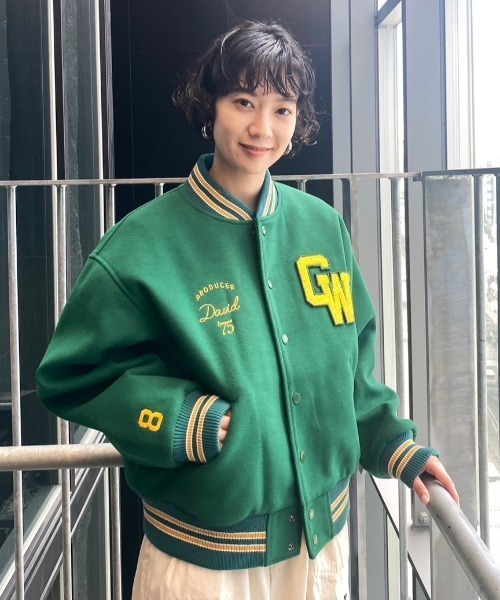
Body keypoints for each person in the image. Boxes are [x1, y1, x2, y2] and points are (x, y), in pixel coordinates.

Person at [37, 20, 459, 600]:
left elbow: (350, 367)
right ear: (209, 107)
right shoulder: (140, 245)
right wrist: (185, 420)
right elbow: (72, 376)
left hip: (322, 548)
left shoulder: (322, 227)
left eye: (282, 109)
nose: (263, 128)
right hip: (204, 566)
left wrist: (397, 445)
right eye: (243, 102)